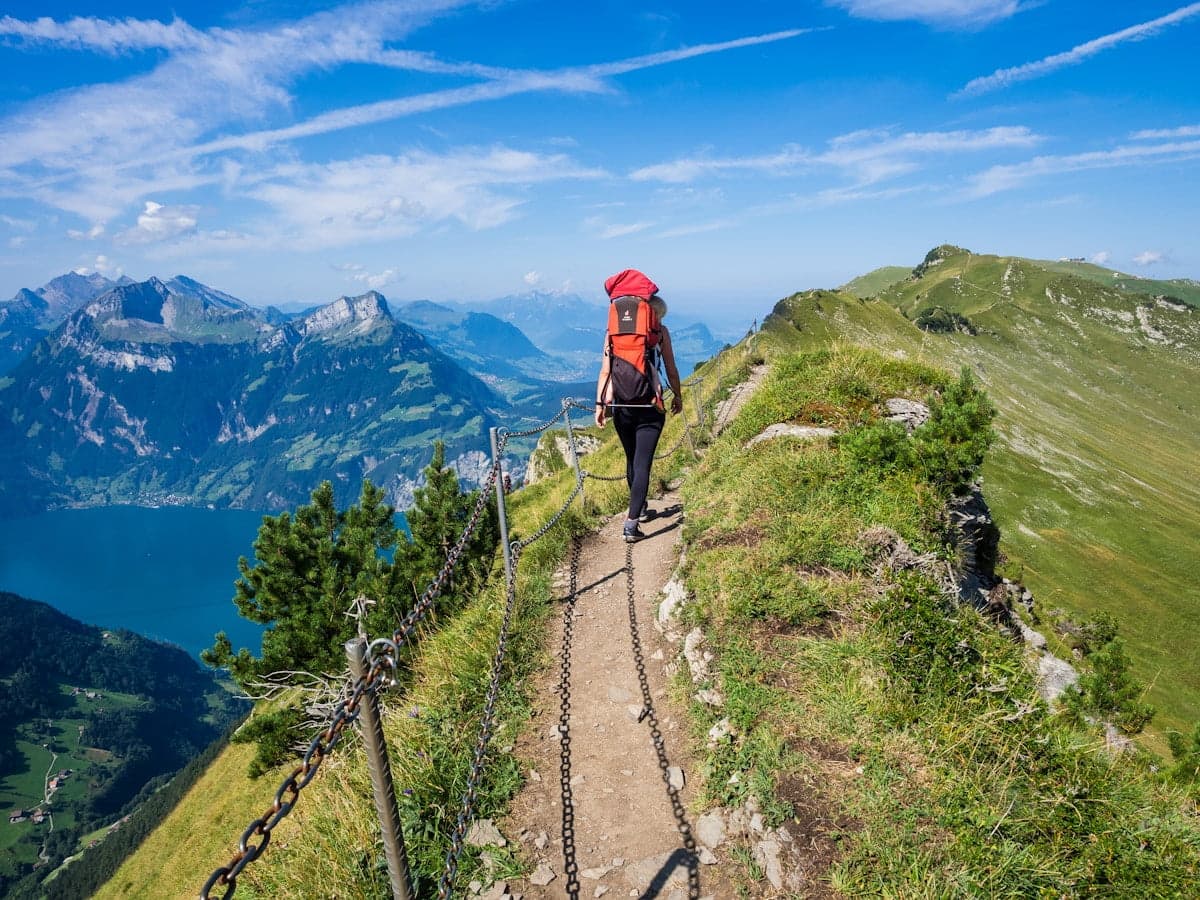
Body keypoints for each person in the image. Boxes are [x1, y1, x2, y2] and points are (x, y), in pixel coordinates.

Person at [594, 269, 683, 542]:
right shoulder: (660, 333)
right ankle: (631, 523)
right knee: (643, 463)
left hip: (622, 407)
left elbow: (605, 371)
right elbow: (670, 367)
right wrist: (677, 396)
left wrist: (600, 405)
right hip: (650, 408)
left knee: (631, 461)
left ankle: (640, 507)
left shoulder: (613, 333)